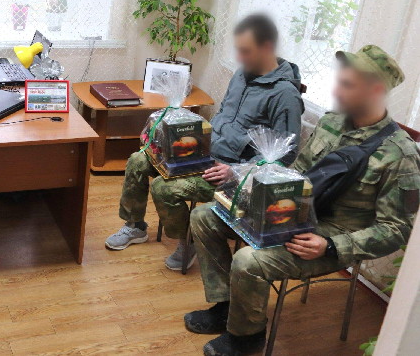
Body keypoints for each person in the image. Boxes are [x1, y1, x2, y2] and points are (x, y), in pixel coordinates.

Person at [185, 45, 419, 356]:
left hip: (331, 236)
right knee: (205, 217)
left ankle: (247, 335)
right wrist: (260, 187)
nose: (336, 91)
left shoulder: (400, 154)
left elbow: (398, 230)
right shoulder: (331, 122)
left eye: (347, 85)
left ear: (376, 91)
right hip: (294, 214)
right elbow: (299, 172)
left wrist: (331, 246)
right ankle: (227, 306)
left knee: (248, 261)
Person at [105, 14, 305, 271]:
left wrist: (236, 171)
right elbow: (224, 118)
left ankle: (188, 242)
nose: (240, 57)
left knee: (165, 189)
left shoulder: (285, 94)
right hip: (205, 154)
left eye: (245, 51)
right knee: (138, 159)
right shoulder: (242, 74)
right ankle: (135, 226)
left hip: (233, 175)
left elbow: (285, 154)